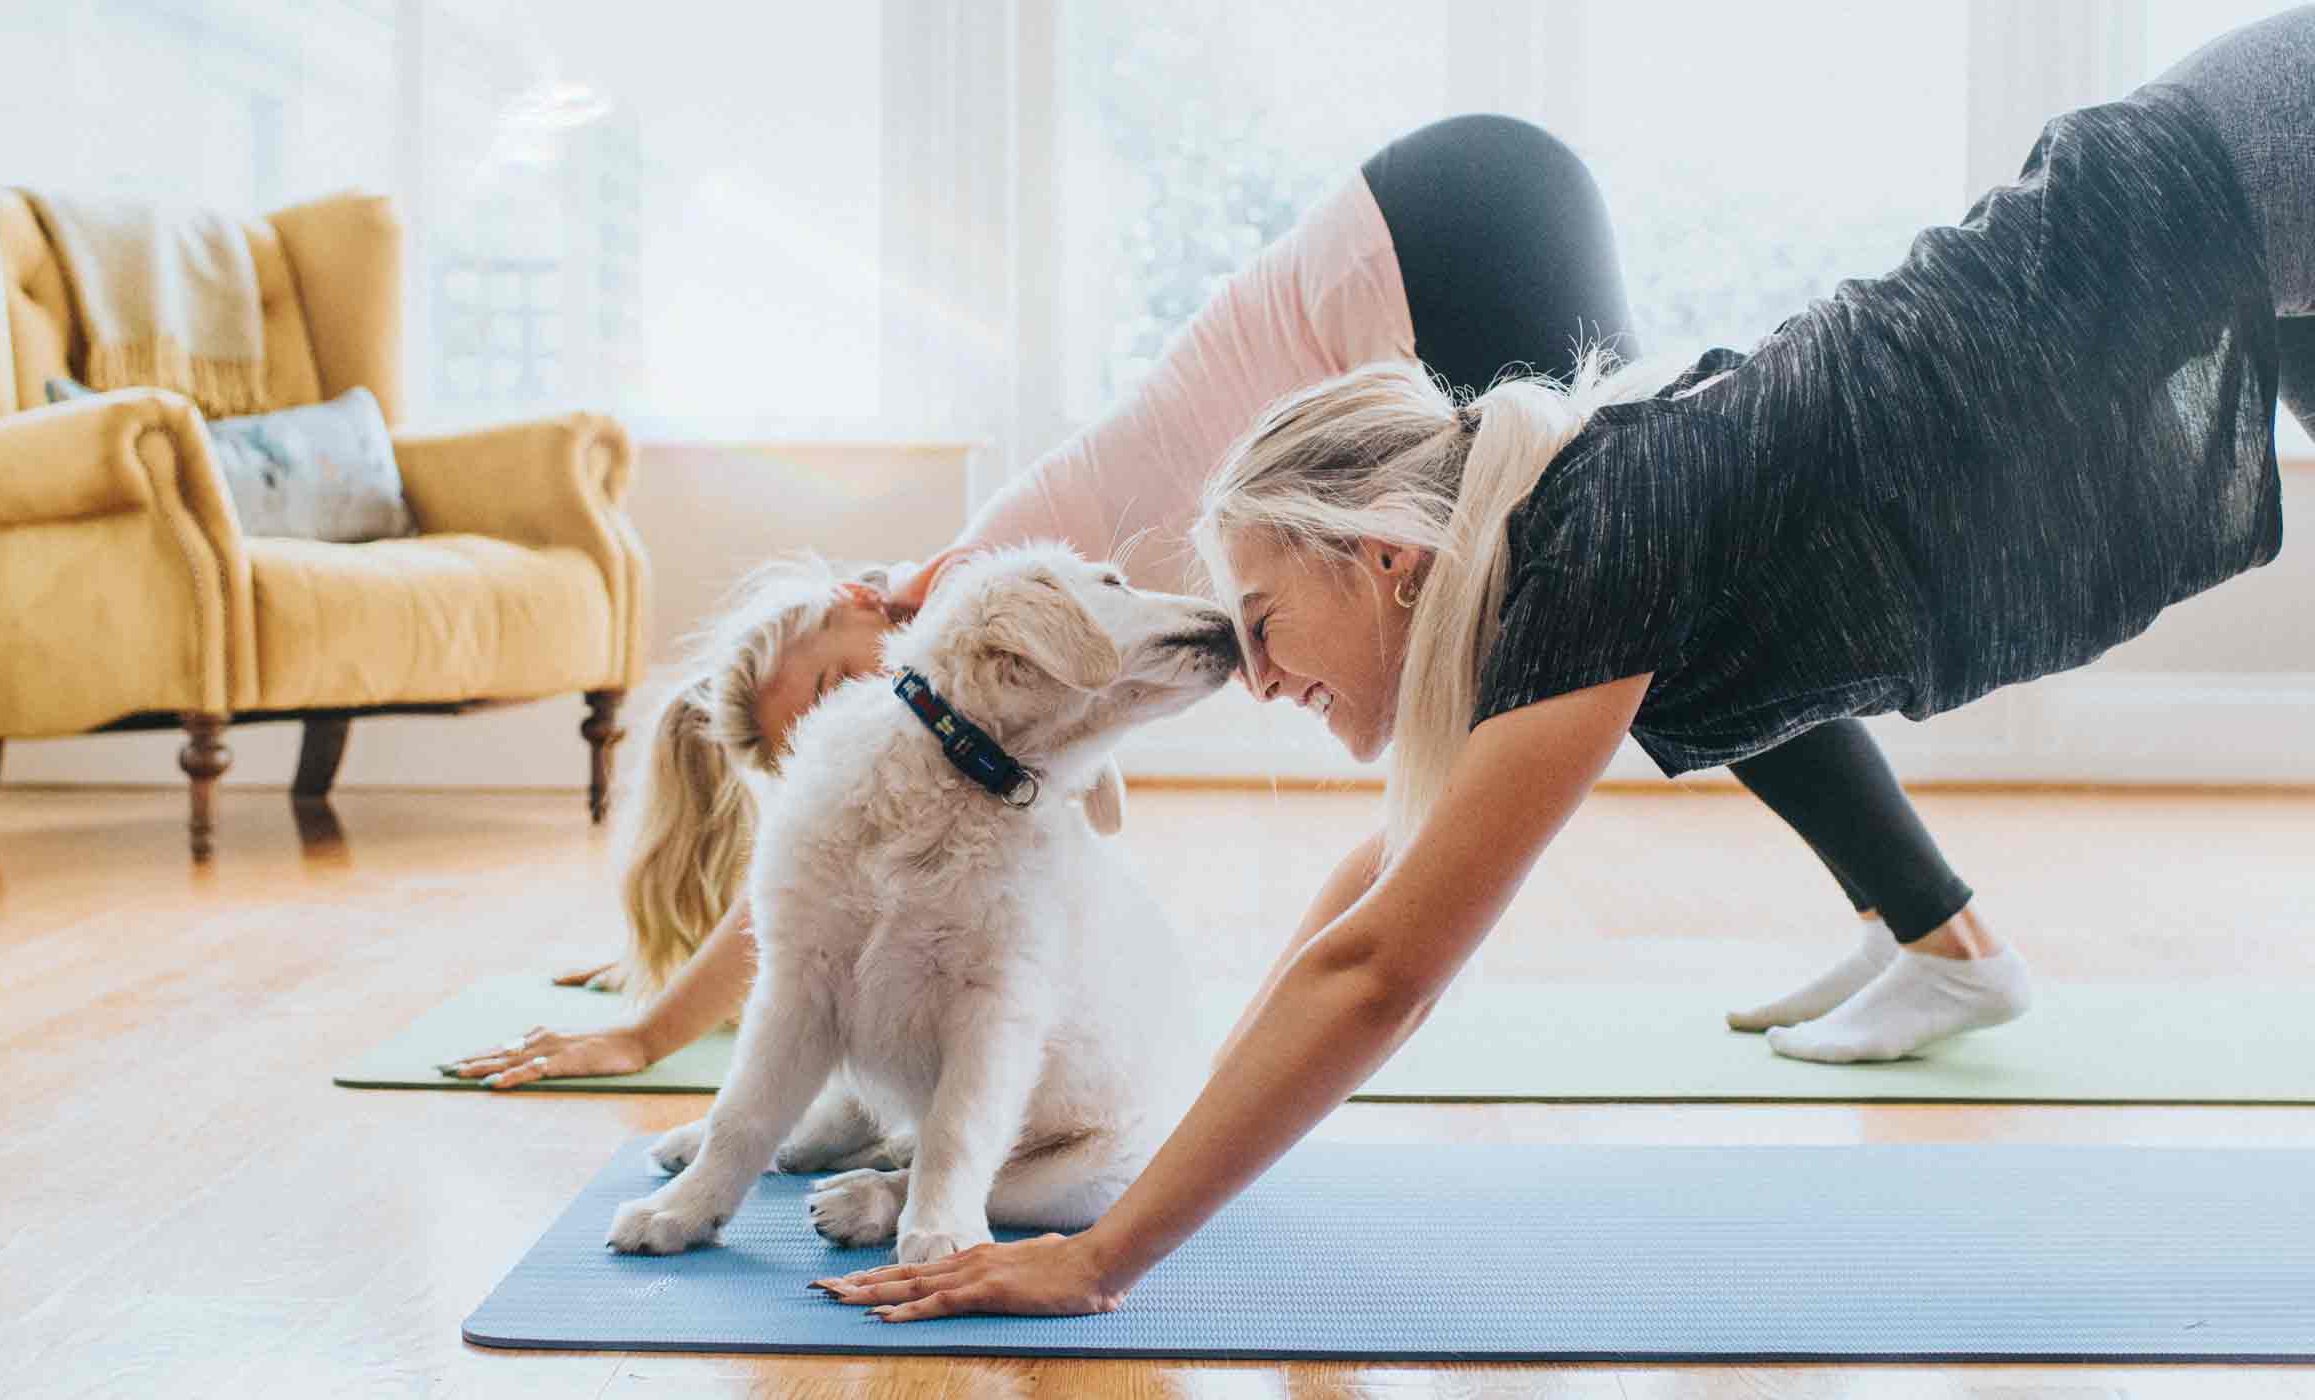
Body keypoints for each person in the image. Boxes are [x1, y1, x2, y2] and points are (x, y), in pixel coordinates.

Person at [815, 8, 2312, 1320]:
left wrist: (1103, 1257)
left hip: (2245, 166)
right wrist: (1168, 1144)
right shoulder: (1554, 549)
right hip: (2230, 190)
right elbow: (1373, 897)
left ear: (1384, 556)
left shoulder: (1585, 555)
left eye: (1264, 623)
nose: (1255, 680)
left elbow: (1384, 972)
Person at [448, 111, 2008, 1089]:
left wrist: (661, 1027)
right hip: (1455, 208)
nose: (871, 723)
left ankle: (1945, 939)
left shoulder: (992, 581)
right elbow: (898, 851)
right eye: (832, 728)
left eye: (841, 683)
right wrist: (691, 973)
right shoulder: (1013, 661)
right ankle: (1912, 924)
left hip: (1440, 227)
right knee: (1656, 594)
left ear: (877, 602)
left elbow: (855, 844)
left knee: (1642, 594)